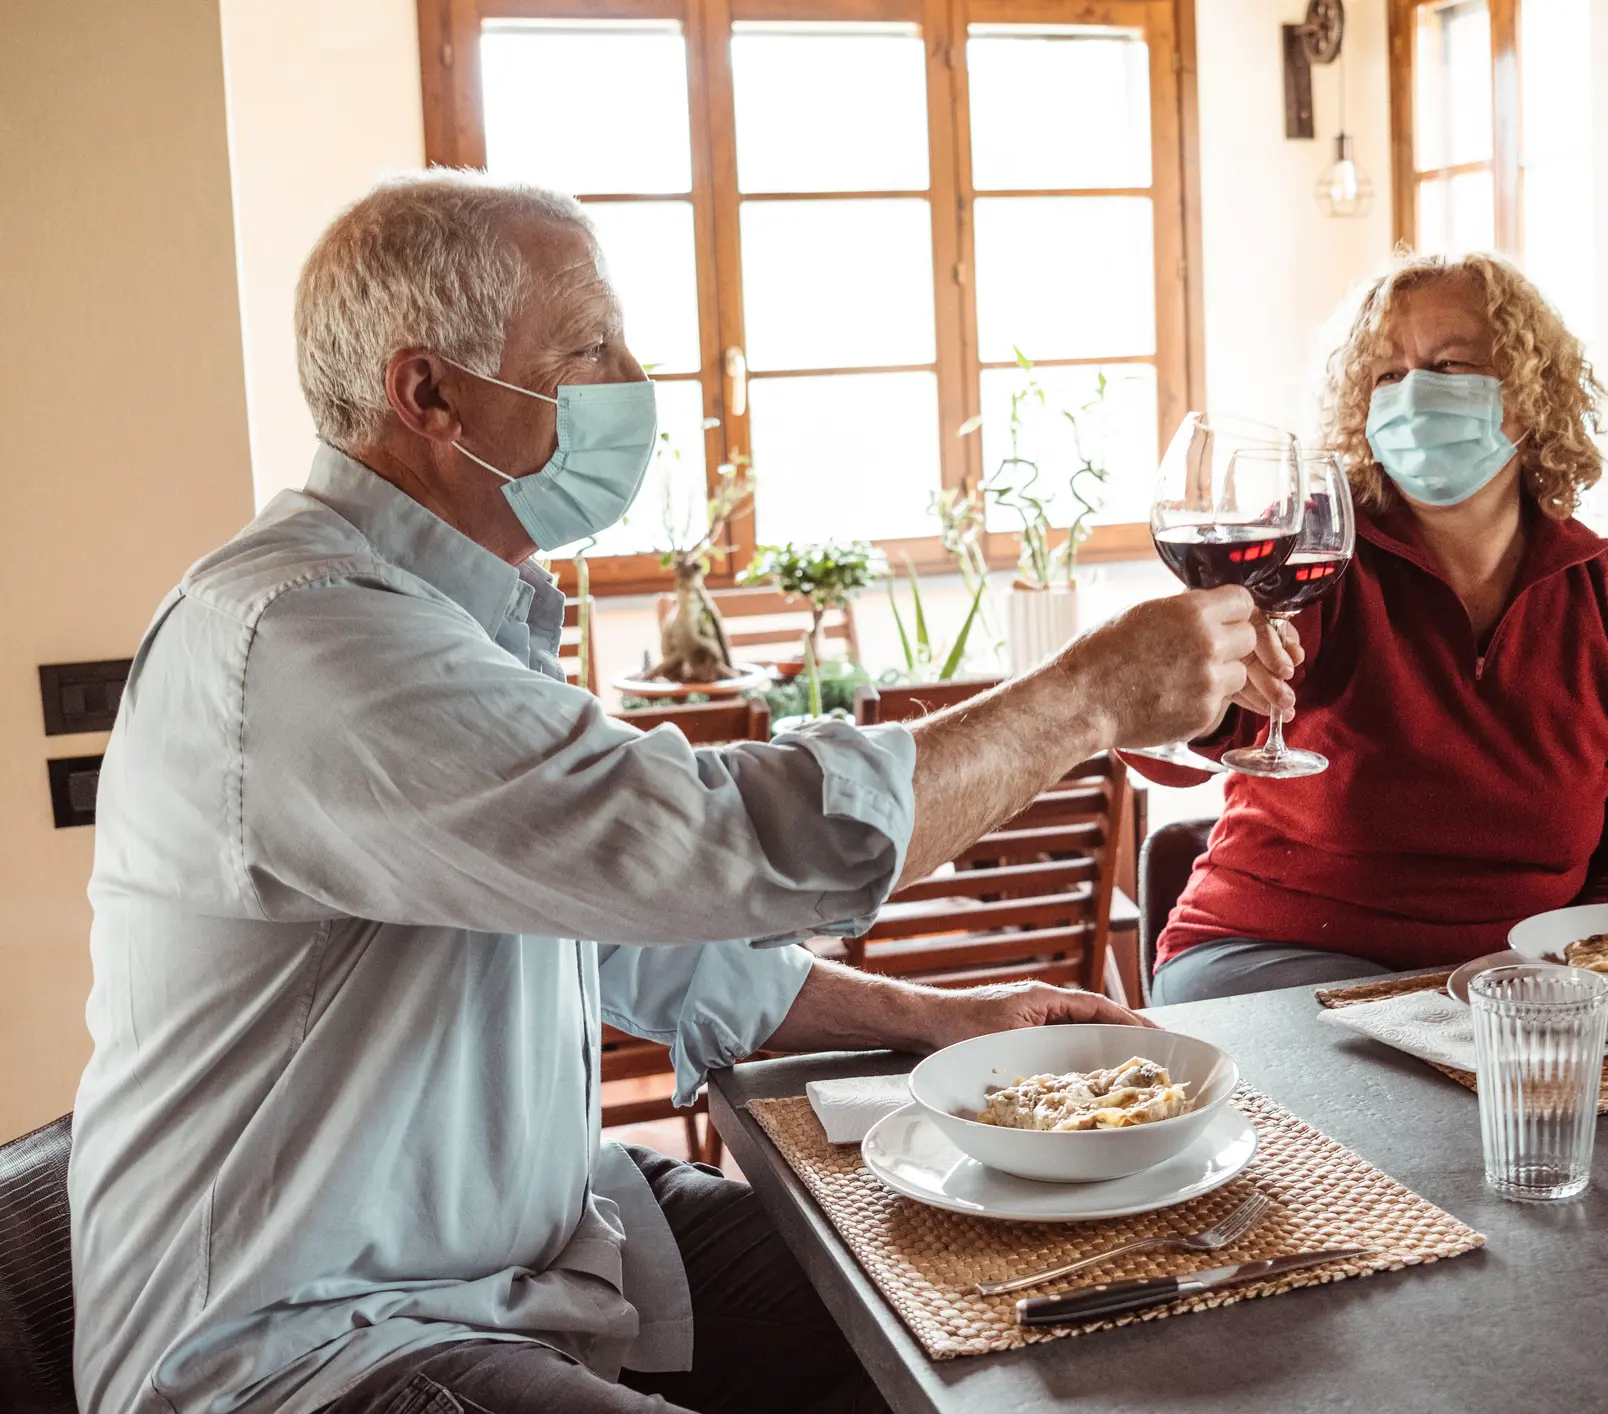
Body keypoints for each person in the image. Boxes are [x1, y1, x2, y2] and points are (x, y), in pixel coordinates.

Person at [68, 172, 1296, 1414]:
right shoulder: (312, 644)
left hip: (523, 1255)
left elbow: (616, 929)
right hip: (315, 1340)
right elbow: (712, 849)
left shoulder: (447, 618)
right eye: (589, 345)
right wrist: (1088, 696)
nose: (636, 381)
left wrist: (933, 1017)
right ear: (428, 392)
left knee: (965, 1315)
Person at [1142, 250, 1608, 1005]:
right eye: (1386, 375)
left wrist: (1574, 966)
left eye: (1449, 365)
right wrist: (1178, 682)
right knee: (1412, 1097)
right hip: (1270, 954)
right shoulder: (1311, 559)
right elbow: (1177, 758)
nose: (1411, 396)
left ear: (1528, 397)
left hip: (1513, 985)